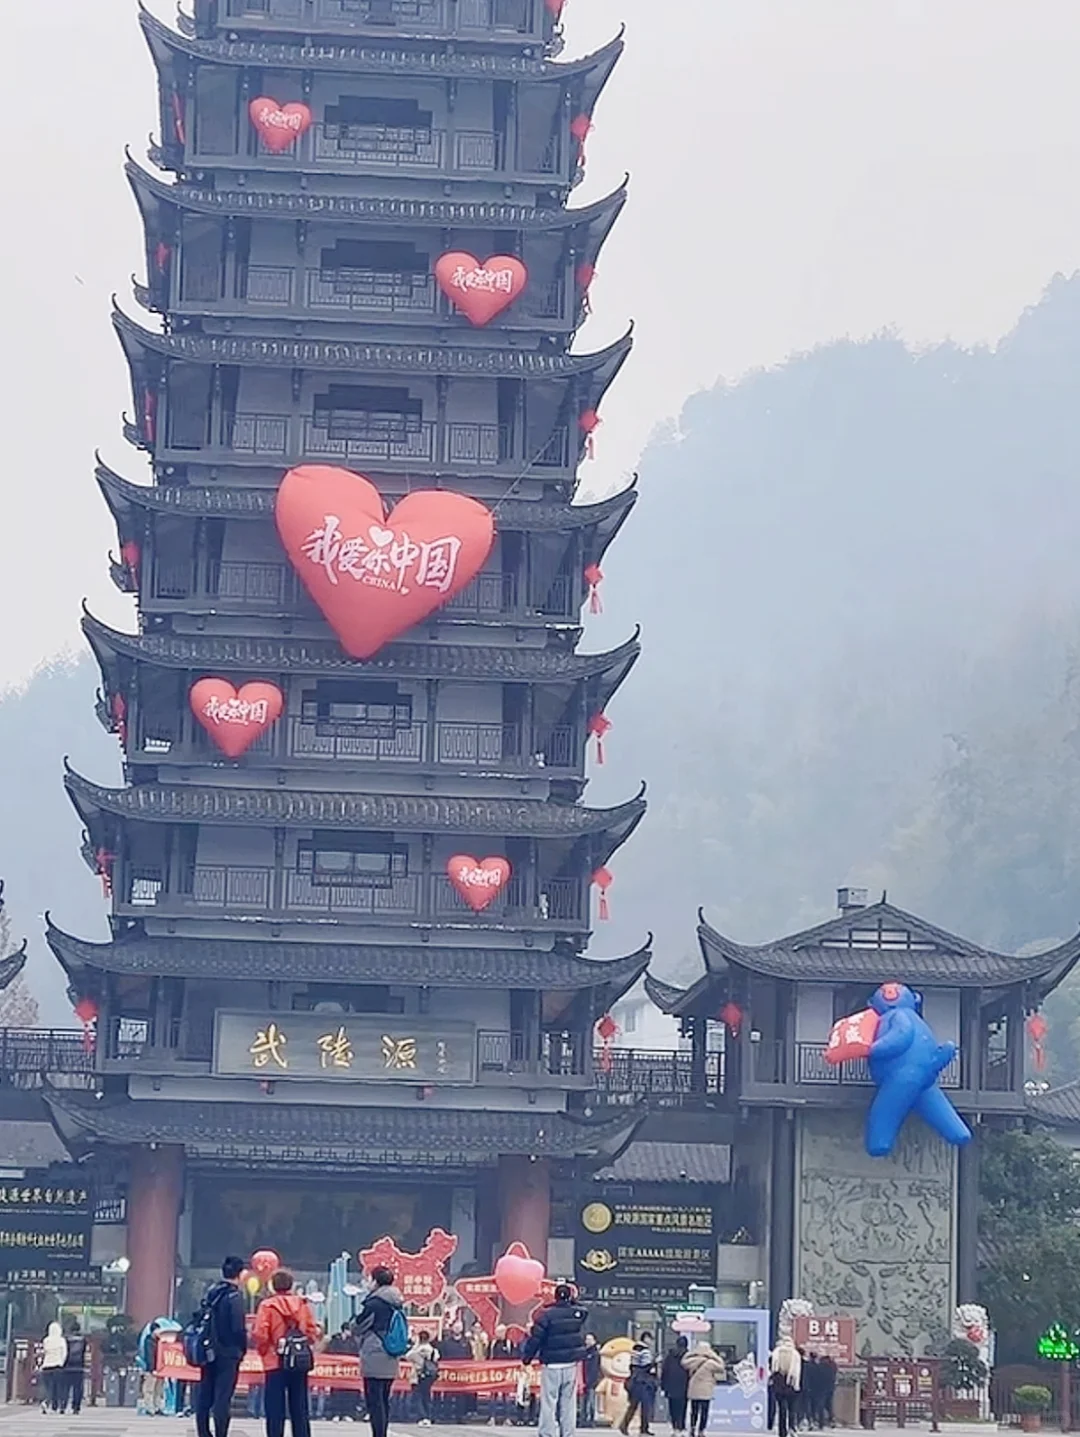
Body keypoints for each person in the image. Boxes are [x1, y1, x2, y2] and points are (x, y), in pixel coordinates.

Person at [254, 1268, 320, 1437]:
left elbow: (260, 1333)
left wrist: (264, 1351)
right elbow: (312, 1331)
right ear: (291, 1285)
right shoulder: (302, 1304)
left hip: (274, 1361)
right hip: (299, 1361)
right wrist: (305, 1346)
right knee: (300, 1406)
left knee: (274, 1407)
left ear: (273, 1286)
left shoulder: (267, 1306)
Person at [521, 1282, 588, 1437]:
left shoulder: (546, 1315)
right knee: (568, 1402)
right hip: (570, 1364)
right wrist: (572, 1302)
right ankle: (568, 1433)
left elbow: (535, 1339)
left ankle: (547, 1433)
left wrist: (527, 1359)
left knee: (549, 1401)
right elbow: (584, 1310)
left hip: (551, 1364)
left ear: (555, 1296)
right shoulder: (576, 1314)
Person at [195, 1255, 249, 1437]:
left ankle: (203, 1432)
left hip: (208, 1350)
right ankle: (220, 1433)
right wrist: (243, 1348)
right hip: (228, 1353)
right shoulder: (235, 1296)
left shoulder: (212, 1292)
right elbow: (238, 1328)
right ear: (240, 1274)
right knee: (223, 1397)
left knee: (205, 1394)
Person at [353, 1265, 406, 1437]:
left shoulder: (375, 1303)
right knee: (384, 1399)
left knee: (374, 1401)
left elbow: (359, 1325)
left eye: (370, 1279)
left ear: (376, 1281)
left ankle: (379, 1434)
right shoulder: (397, 1302)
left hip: (375, 1354)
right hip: (391, 1355)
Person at [682, 1341, 726, 1437]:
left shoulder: (692, 1361)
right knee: (704, 1412)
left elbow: (683, 1361)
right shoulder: (711, 1363)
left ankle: (692, 1428)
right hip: (706, 1391)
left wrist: (692, 1352)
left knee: (694, 1411)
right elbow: (721, 1366)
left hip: (694, 1390)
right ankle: (701, 1431)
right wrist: (713, 1355)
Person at [620, 1334, 658, 1436]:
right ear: (645, 1339)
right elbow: (646, 1366)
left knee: (633, 1404)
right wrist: (655, 1363)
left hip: (635, 1381)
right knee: (645, 1406)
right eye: (650, 1339)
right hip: (643, 1382)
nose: (650, 1342)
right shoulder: (644, 1350)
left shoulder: (635, 1349)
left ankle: (625, 1424)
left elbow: (633, 1366)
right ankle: (643, 1429)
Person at [325, 1323, 360, 1422]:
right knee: (336, 1392)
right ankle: (336, 1413)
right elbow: (330, 1352)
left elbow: (357, 1354)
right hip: (337, 1371)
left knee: (349, 1393)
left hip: (349, 1372)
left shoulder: (354, 1341)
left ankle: (348, 1413)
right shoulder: (335, 1340)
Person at [768, 1338, 802, 1437]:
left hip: (779, 1383)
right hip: (791, 1383)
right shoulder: (795, 1354)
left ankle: (782, 1431)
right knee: (792, 1408)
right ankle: (792, 1428)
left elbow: (773, 1368)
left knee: (782, 1408)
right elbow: (797, 1371)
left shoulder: (777, 1352)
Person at [407, 1328, 439, 1426]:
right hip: (429, 1376)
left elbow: (408, 1356)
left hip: (418, 1375)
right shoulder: (433, 1350)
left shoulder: (417, 1351)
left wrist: (415, 1345)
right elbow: (436, 1358)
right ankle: (428, 1416)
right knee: (426, 1396)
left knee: (417, 1397)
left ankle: (422, 1416)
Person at [662, 1337, 690, 1434]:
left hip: (671, 1386)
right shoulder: (688, 1356)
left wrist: (663, 1386)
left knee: (673, 1408)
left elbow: (664, 1371)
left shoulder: (670, 1356)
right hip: (684, 1386)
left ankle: (675, 1428)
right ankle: (681, 1427)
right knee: (682, 1408)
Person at [62, 1318, 88, 1415]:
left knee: (65, 1387)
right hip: (79, 1366)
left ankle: (63, 1406)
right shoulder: (83, 1340)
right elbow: (84, 1351)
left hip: (67, 1366)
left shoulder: (66, 1339)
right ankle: (76, 1407)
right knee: (78, 1388)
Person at [40, 1321, 67, 1413]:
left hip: (46, 1366)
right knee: (59, 1388)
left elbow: (44, 1352)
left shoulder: (46, 1340)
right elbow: (64, 1353)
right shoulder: (61, 1340)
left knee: (48, 1388)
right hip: (57, 1366)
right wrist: (61, 1363)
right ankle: (60, 1406)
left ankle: (46, 1403)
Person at [579, 1334, 601, 1428]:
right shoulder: (583, 1352)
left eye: (589, 1339)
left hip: (591, 1381)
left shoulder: (595, 1354)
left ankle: (591, 1420)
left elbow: (594, 1369)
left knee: (591, 1401)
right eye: (586, 1339)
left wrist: (590, 1381)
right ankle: (582, 1420)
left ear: (594, 1341)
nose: (587, 1341)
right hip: (582, 1381)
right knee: (582, 1402)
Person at [818, 1356, 837, 1428]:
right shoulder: (833, 1366)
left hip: (822, 1389)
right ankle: (832, 1420)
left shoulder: (821, 1367)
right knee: (829, 1405)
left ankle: (821, 1422)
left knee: (821, 1405)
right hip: (831, 1388)